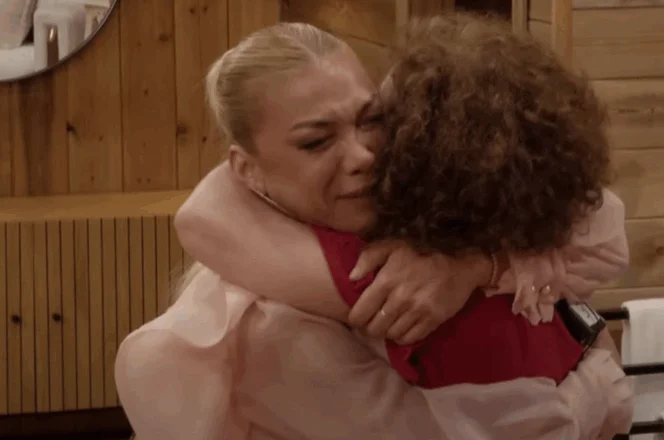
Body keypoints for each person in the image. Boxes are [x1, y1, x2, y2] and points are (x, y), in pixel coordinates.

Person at [116, 17, 632, 440]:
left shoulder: (419, 211)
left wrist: (475, 265)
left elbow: (601, 223)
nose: (363, 155)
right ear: (247, 170)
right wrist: (598, 388)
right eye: (316, 141)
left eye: (371, 120)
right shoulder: (268, 327)